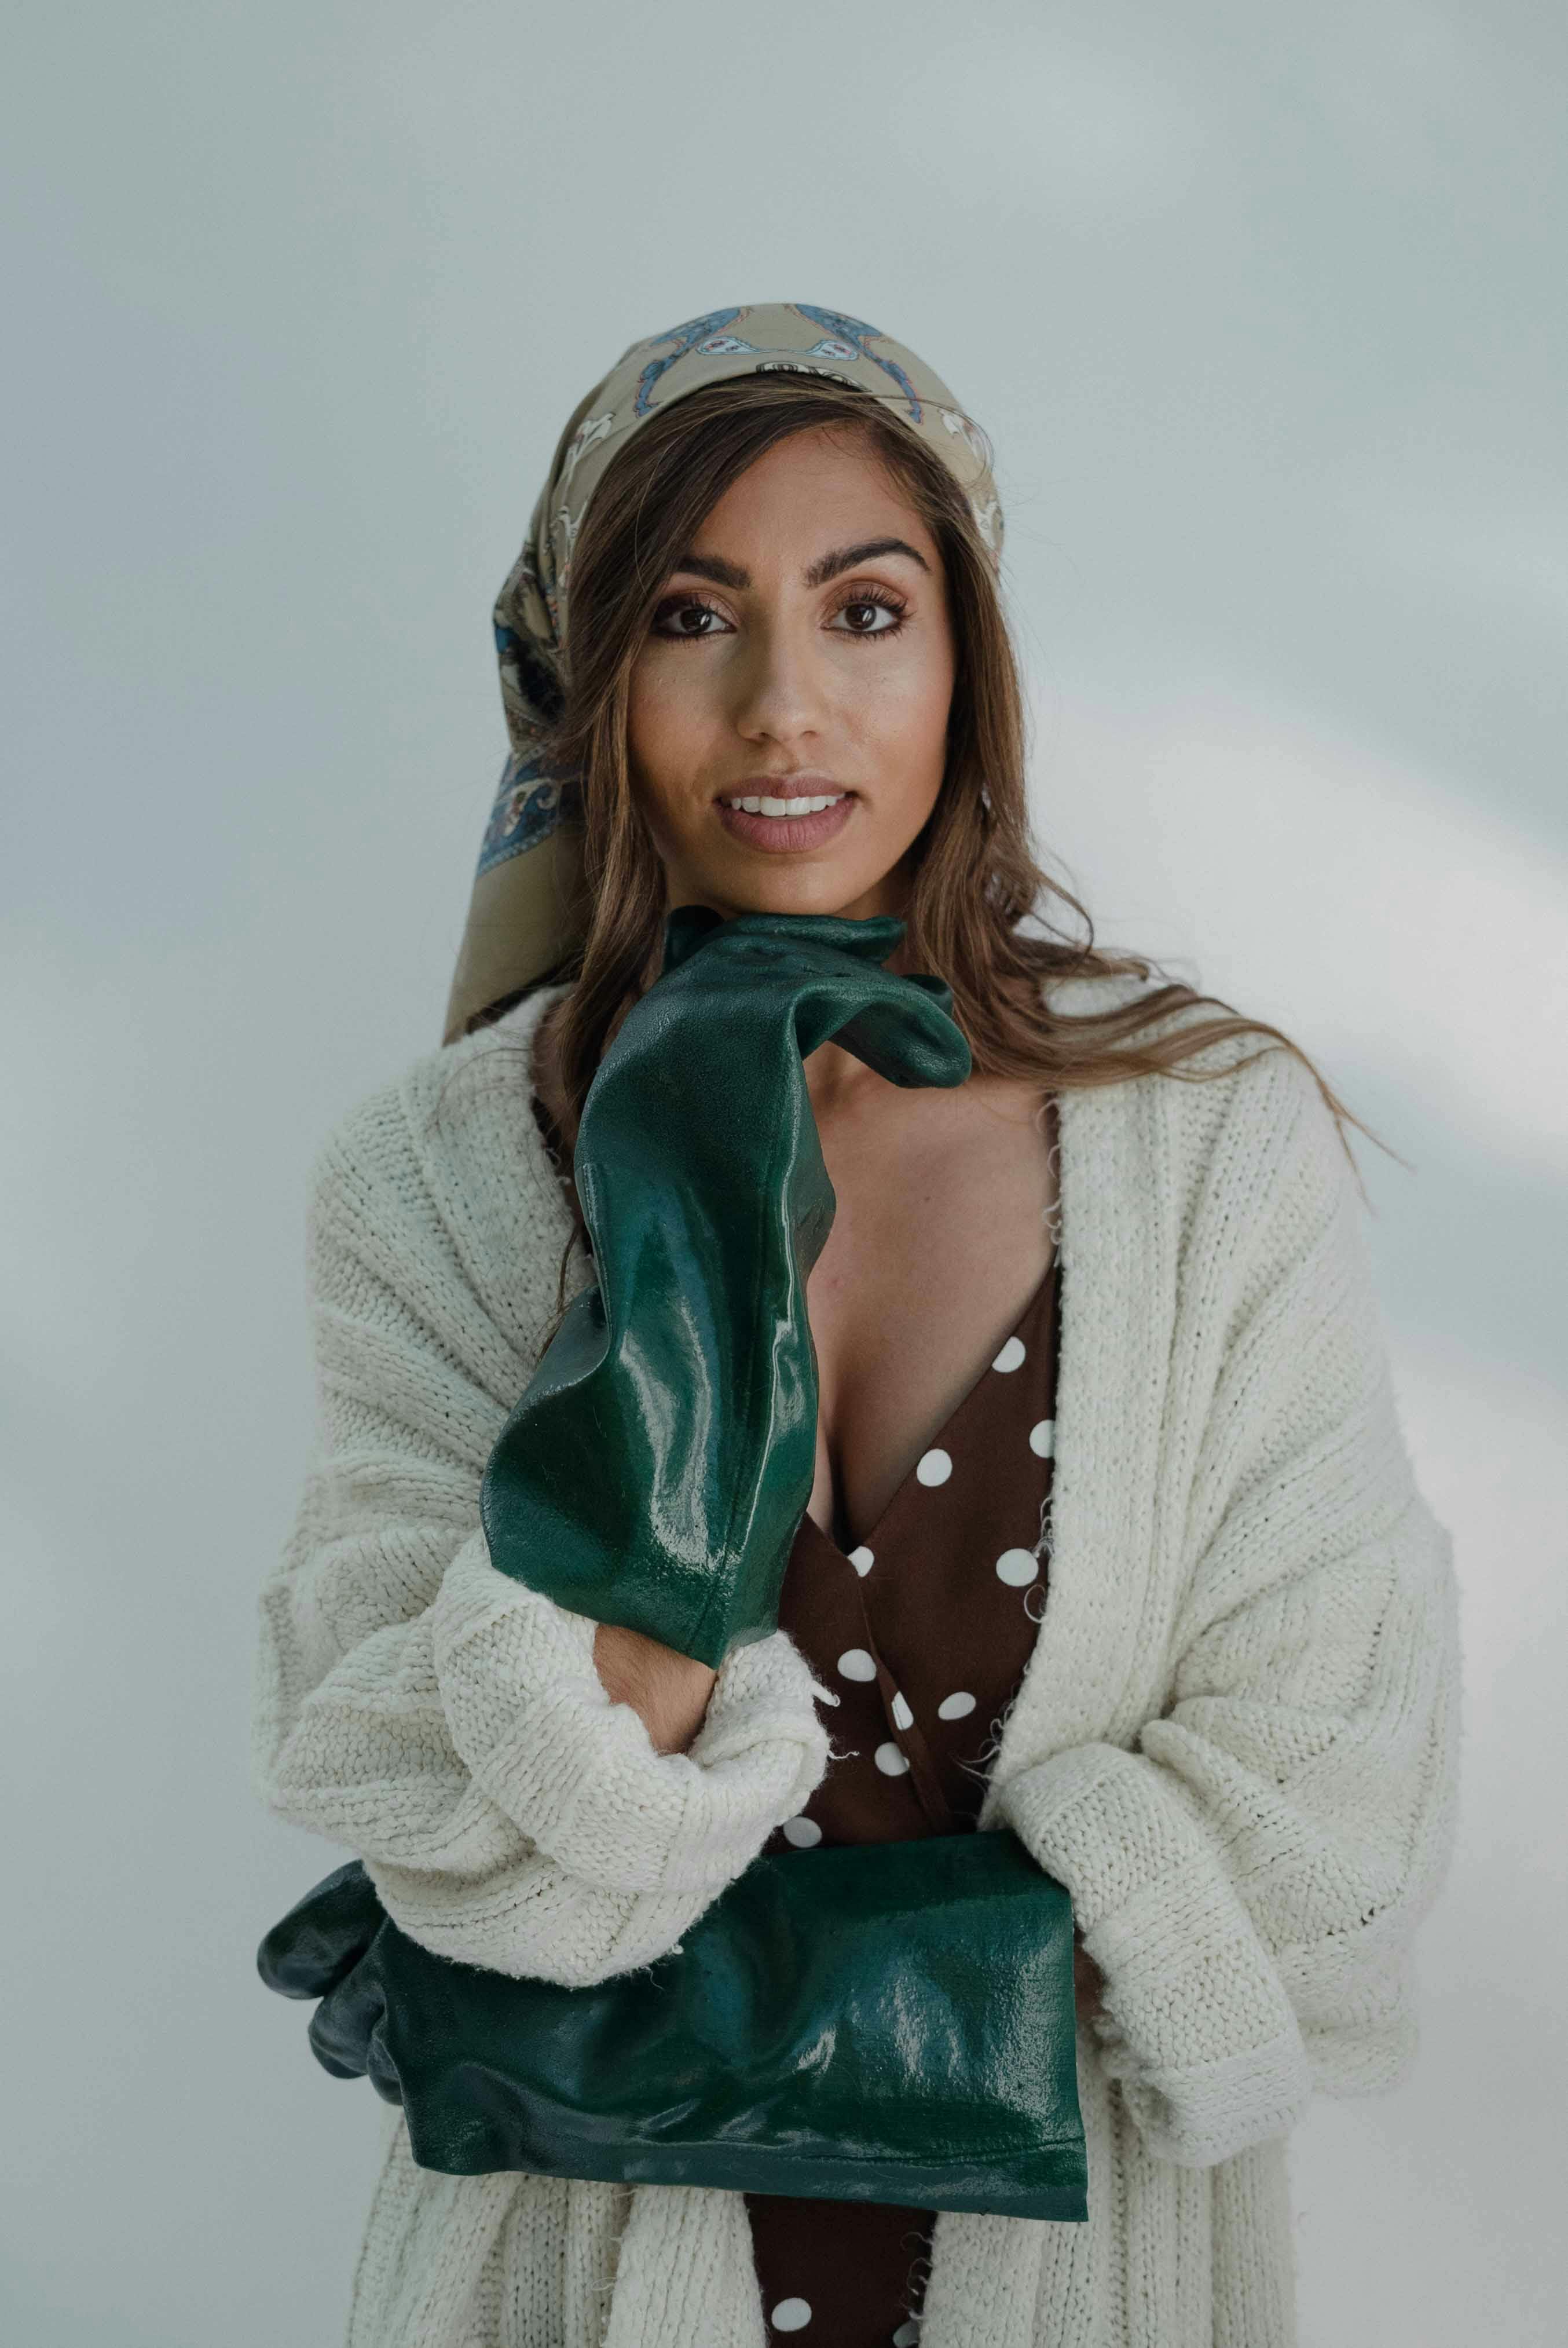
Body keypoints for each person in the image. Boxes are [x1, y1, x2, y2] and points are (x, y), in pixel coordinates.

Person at [251, 304, 1462, 2348]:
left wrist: (612, 2001)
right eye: (689, 619)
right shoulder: (442, 1182)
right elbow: (439, 1818)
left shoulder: (1208, 1143)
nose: (785, 709)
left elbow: (1325, 1856)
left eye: (867, 610)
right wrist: (690, 1223)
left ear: (967, 659)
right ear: (583, 687)